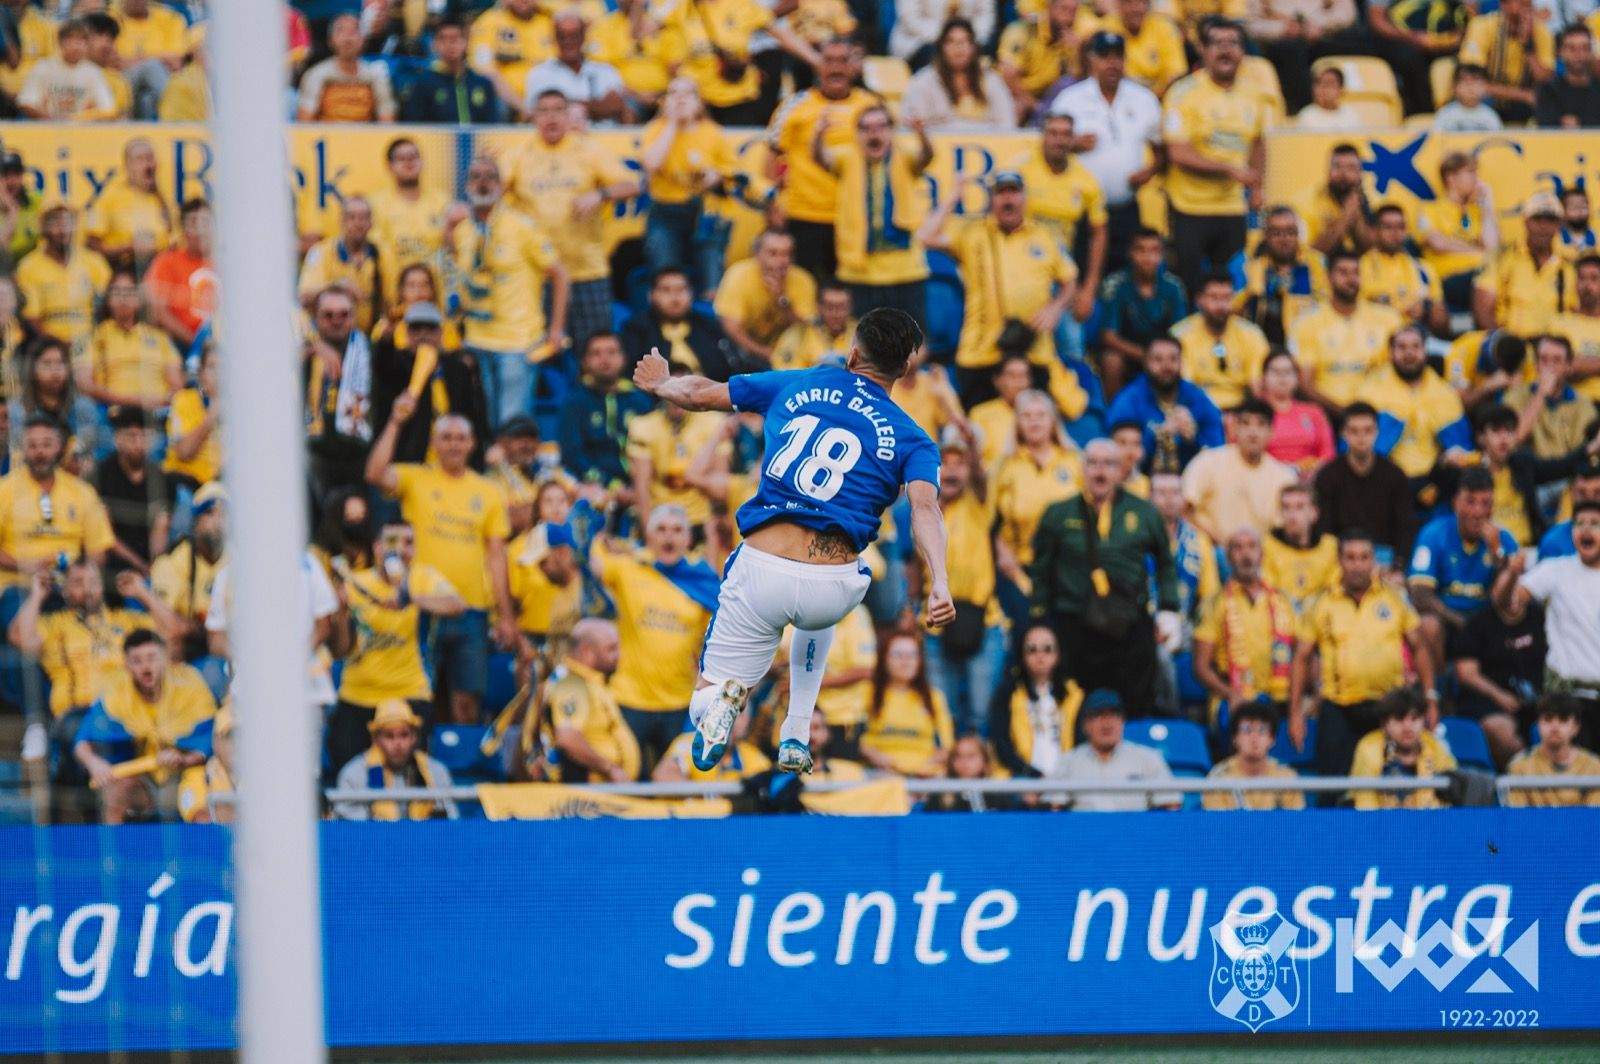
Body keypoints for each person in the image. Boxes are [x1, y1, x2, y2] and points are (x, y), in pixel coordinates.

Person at [631, 306, 954, 774]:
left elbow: (700, 394)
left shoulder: (801, 382)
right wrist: (939, 580)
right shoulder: (915, 439)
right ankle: (797, 733)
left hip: (763, 571)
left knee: (704, 702)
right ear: (906, 368)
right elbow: (926, 510)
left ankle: (726, 699)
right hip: (835, 587)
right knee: (829, 599)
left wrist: (661, 382)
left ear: (853, 351)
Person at [367, 397, 521, 725]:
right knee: (421, 693)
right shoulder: (416, 479)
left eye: (460, 438)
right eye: (446, 437)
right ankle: (426, 763)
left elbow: (497, 556)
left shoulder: (489, 490)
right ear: (434, 443)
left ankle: (463, 765)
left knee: (468, 697)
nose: (453, 444)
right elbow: (375, 473)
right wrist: (395, 421)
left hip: (472, 608)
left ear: (472, 443)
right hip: (421, 605)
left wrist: (505, 616)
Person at [10, 562, 175, 819]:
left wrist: (143, 593)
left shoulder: (125, 620)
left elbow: (173, 633)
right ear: (64, 591)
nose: (87, 588)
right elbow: (21, 637)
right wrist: (38, 595)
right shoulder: (55, 623)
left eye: (93, 581)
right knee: (84, 738)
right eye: (77, 582)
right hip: (78, 715)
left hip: (126, 715)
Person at [1031, 438, 1179, 712]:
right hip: (1073, 623)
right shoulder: (1058, 514)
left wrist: (1169, 609)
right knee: (1077, 703)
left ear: (1122, 470)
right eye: (1093, 463)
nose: (1100, 471)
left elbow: (1166, 563)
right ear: (1082, 468)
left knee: (1134, 703)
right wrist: (1040, 618)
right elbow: (1040, 571)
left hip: (1129, 624)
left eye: (1109, 464)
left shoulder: (1144, 512)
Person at [917, 171, 1079, 405]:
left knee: (1033, 426)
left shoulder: (1045, 237)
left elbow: (1070, 281)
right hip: (981, 352)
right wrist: (954, 196)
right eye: (1001, 193)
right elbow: (924, 236)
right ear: (991, 199)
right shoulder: (973, 233)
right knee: (982, 428)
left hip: (1033, 352)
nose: (1008, 199)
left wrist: (1055, 308)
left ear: (1024, 197)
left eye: (1014, 192)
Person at [1290, 530, 1434, 778]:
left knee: (1391, 783)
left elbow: (1419, 646)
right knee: (1334, 788)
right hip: (1339, 707)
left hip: (1390, 708)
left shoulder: (1394, 598)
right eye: (1350, 557)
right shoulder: (1321, 603)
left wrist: (1431, 697)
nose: (1357, 565)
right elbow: (1302, 657)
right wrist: (1295, 714)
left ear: (1373, 561)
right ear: (1340, 561)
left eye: (1364, 557)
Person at [507, 87, 639, 355]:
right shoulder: (518, 155)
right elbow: (491, 193)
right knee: (536, 352)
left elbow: (633, 184)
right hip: (537, 275)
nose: (551, 117)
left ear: (568, 116)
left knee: (594, 352)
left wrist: (600, 194)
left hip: (587, 271)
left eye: (558, 110)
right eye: (543, 111)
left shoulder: (589, 150)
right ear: (532, 116)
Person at [443, 154, 569, 432]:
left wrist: (556, 329)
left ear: (501, 186)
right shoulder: (463, 230)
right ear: (465, 187)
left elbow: (560, 275)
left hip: (518, 342)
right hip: (475, 339)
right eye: (476, 177)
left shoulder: (522, 226)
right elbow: (455, 276)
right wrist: (448, 230)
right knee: (480, 423)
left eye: (490, 177)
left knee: (510, 425)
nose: (483, 184)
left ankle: (508, 474)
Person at [329, 522, 466, 774]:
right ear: (377, 548)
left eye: (409, 542)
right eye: (393, 541)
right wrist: (339, 614)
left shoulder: (421, 577)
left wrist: (411, 598)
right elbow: (339, 651)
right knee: (347, 773)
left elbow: (457, 604)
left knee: (416, 777)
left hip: (409, 691)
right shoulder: (354, 583)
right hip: (358, 695)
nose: (401, 548)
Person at [588, 505, 717, 773]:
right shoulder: (628, 568)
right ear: (649, 535)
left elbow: (716, 643)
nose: (668, 537)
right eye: (661, 529)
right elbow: (594, 563)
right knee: (627, 777)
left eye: (677, 530)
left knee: (674, 784)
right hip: (629, 699)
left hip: (680, 703)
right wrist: (597, 521)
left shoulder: (702, 581)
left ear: (688, 539)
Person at [1161, 19, 1266, 298]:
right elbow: (1178, 152)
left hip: (1233, 209)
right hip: (1190, 208)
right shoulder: (1183, 93)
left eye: (1233, 43)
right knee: (1193, 290)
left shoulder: (1253, 95)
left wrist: (1256, 185)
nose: (1226, 51)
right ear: (1204, 51)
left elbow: (1258, 141)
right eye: (1217, 44)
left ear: (1243, 52)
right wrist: (1230, 170)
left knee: (1232, 292)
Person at [71, 629, 215, 824]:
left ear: (165, 659)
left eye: (152, 658)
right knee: (115, 795)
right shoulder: (117, 693)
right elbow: (82, 742)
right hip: (144, 777)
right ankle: (113, 854)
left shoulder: (190, 683)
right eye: (137, 661)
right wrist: (95, 764)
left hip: (188, 772)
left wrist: (183, 759)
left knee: (202, 812)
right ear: (127, 665)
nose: (146, 667)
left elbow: (211, 741)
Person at [1050, 33, 1164, 279]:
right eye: (1104, 57)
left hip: (1126, 208)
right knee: (1080, 275)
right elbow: (1047, 144)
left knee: (1126, 279)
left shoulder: (1143, 99)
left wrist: (1149, 171)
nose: (1112, 64)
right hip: (1082, 210)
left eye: (1118, 57)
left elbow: (1161, 151)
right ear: (1091, 59)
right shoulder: (1071, 99)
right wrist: (1072, 143)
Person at [765, 38, 877, 282]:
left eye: (843, 61)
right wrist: (773, 204)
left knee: (846, 293)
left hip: (852, 216)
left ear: (854, 66)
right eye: (828, 60)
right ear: (817, 64)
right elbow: (772, 155)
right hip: (804, 215)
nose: (835, 68)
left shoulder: (870, 107)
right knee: (804, 286)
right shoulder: (795, 105)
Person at [920, 428, 1004, 736]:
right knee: (944, 713)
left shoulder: (979, 503)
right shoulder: (921, 509)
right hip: (933, 622)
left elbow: (982, 474)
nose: (952, 469)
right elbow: (911, 567)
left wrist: (961, 427)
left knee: (982, 713)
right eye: (944, 462)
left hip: (984, 619)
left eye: (960, 463)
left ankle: (980, 781)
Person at [816, 104, 932, 322]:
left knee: (912, 340)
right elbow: (822, 158)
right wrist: (819, 135)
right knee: (862, 342)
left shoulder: (904, 156)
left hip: (905, 269)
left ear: (891, 131)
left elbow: (925, 158)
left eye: (881, 126)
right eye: (866, 128)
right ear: (857, 133)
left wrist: (922, 135)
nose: (874, 133)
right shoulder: (848, 158)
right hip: (859, 271)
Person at [1499, 501, 1600, 742]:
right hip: (1567, 700)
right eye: (1579, 524)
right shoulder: (1555, 570)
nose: (1585, 530)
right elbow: (1508, 605)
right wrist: (1512, 573)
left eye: (1595, 524)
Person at [1408, 467, 1520, 675]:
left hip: (1490, 625)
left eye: (1485, 503)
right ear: (1455, 503)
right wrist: (1462, 622)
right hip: (1448, 621)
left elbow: (1508, 601)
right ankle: (1440, 694)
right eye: (1470, 502)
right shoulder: (1434, 533)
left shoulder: (1503, 540)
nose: (1478, 512)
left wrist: (1498, 556)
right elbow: (1419, 594)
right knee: (1427, 625)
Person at [639, 79, 734, 293]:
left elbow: (732, 172)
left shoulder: (712, 133)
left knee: (712, 283)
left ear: (699, 103)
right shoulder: (656, 129)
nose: (680, 99)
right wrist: (673, 124)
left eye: (687, 94)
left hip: (706, 213)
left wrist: (714, 176)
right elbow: (651, 164)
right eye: (673, 93)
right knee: (665, 278)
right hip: (665, 213)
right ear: (664, 102)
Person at [370, 301, 491, 469]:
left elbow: (474, 415)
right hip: (408, 463)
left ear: (441, 332)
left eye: (430, 328)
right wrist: (387, 337)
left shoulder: (457, 367)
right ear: (407, 333)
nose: (423, 334)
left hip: (452, 466)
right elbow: (382, 364)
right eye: (416, 328)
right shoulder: (399, 364)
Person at [1193, 528, 1297, 725]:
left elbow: (1301, 656)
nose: (1246, 554)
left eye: (1252, 547)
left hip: (1279, 697)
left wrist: (1298, 703)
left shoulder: (1282, 601)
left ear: (1262, 555)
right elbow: (1201, 667)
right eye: (1238, 548)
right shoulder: (1214, 603)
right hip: (1232, 697)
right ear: (1228, 557)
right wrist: (1231, 694)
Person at [0, 413, 113, 592]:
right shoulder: (4, 489)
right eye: (32, 445)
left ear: (59, 447)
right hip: (17, 587)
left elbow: (98, 552)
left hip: (69, 587)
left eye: (47, 444)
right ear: (22, 449)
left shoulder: (83, 491)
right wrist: (25, 566)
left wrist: (77, 577)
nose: (40, 452)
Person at [992, 390, 1083, 605]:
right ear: (1017, 422)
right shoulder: (1005, 465)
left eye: (1041, 415)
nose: (1034, 422)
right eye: (1026, 416)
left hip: (1069, 566)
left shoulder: (1075, 461)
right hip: (1019, 568)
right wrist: (1004, 557)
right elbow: (990, 519)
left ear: (1053, 421)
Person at [1356, 324, 1472, 484]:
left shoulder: (1444, 393)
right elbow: (1356, 448)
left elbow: (1461, 447)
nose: (1409, 353)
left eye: (1416, 346)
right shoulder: (1370, 391)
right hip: (1382, 481)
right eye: (1401, 347)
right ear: (1390, 353)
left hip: (1434, 482)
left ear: (1425, 351)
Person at [1456, 565, 1545, 768]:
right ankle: (1527, 779)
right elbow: (1466, 673)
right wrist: (1499, 695)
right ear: (1493, 591)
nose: (1511, 595)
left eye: (1518, 587)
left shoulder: (1540, 617)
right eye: (1505, 587)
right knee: (1501, 732)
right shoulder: (1477, 622)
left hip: (1536, 701)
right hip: (1489, 702)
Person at [539, 617, 642, 784]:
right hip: (587, 794)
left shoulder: (589, 681)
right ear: (587, 651)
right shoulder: (571, 684)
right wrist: (610, 769)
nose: (618, 655)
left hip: (602, 791)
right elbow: (567, 738)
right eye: (611, 649)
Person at [1312, 402, 1416, 564]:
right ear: (1344, 434)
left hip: (1383, 557)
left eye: (1368, 431)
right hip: (1340, 557)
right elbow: (1323, 529)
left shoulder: (1395, 475)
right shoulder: (1327, 476)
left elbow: (1404, 526)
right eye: (1354, 431)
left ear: (1376, 432)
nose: (1361, 438)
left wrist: (1398, 565)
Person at [1182, 397, 1297, 543]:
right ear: (1235, 428)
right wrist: (1217, 543)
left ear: (1271, 432)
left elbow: (1282, 530)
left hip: (1259, 557)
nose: (1253, 432)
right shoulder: (1208, 461)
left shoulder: (1284, 477)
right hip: (1210, 550)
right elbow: (1185, 509)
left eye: (1261, 425)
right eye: (1246, 423)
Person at [1105, 335, 1225, 473]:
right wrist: (1160, 436)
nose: (1166, 366)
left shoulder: (1197, 398)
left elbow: (1218, 450)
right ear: (1145, 363)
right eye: (1158, 359)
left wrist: (1194, 439)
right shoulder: (1129, 400)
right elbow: (1115, 453)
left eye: (1173, 359)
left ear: (1182, 362)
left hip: (1192, 480)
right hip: (1143, 481)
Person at [627, 365, 727, 529]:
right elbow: (641, 488)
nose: (677, 398)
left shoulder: (714, 424)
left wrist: (715, 532)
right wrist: (651, 536)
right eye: (673, 390)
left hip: (703, 521)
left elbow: (721, 485)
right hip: (660, 520)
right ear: (661, 392)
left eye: (684, 390)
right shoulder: (642, 427)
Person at [1050, 688, 1181, 811]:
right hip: (1085, 832)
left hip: (1135, 832)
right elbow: (1054, 808)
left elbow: (1171, 805)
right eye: (1098, 715)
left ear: (1123, 721)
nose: (1107, 723)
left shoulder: (1148, 758)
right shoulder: (1069, 761)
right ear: (1085, 725)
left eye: (1113, 715)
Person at [364, 138, 453, 313]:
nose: (409, 162)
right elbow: (375, 255)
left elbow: (452, 250)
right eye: (402, 158)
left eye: (413, 156)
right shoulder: (376, 205)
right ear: (390, 166)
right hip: (394, 301)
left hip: (437, 300)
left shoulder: (441, 202)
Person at [557, 331, 653, 493]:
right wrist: (611, 485)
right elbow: (572, 455)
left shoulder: (639, 401)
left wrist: (639, 485)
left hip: (641, 486)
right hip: (594, 489)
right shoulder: (574, 403)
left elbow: (653, 447)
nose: (605, 360)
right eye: (596, 353)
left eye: (612, 352)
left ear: (623, 358)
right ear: (584, 361)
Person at [1096, 228, 1188, 396]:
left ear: (1162, 255)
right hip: (1128, 352)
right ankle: (1114, 415)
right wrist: (1145, 355)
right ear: (1130, 253)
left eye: (1154, 250)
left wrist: (1159, 356)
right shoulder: (1115, 284)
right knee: (1111, 360)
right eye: (1141, 250)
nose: (1148, 257)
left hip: (1164, 351)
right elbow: (1108, 336)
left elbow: (1181, 334)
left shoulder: (1174, 286)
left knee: (1182, 358)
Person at [331, 699, 457, 821]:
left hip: (425, 840)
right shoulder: (353, 774)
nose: (398, 744)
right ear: (376, 739)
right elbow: (352, 831)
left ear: (415, 737)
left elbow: (451, 820)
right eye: (389, 736)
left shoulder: (436, 771)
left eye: (404, 735)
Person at [78, 271, 181, 415]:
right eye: (117, 292)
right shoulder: (95, 337)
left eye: (129, 292)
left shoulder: (159, 337)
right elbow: (85, 384)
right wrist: (132, 401)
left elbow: (176, 385)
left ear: (139, 299)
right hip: (114, 413)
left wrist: (161, 401)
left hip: (158, 413)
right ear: (108, 299)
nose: (123, 298)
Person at [1475, 193, 1577, 339]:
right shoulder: (1502, 257)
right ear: (1526, 220)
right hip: (1511, 345)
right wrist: (1504, 345)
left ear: (1559, 225)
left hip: (1555, 349)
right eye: (1537, 219)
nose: (1543, 226)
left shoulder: (1571, 262)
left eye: (1550, 220)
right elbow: (1483, 309)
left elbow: (1581, 311)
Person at [989, 622, 1083, 778]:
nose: (1040, 656)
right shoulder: (1007, 694)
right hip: (1022, 778)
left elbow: (1082, 743)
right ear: (1022, 655)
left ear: (1058, 654)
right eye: (1032, 650)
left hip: (1069, 778)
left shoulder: (1074, 695)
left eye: (1048, 649)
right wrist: (1029, 774)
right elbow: (1002, 745)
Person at [15, 203, 111, 354]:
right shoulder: (28, 267)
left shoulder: (95, 263)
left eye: (68, 222)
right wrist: (57, 348)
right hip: (47, 348)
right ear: (44, 228)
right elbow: (31, 319)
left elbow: (105, 310)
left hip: (90, 344)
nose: (63, 229)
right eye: (56, 222)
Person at [713, 229, 817, 365]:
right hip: (744, 349)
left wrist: (782, 300)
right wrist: (765, 353)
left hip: (786, 353)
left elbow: (805, 330)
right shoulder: (738, 274)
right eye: (773, 253)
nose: (782, 261)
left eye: (787, 254)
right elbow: (731, 328)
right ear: (757, 254)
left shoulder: (803, 280)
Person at [859, 631, 955, 778]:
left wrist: (926, 766)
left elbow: (947, 747)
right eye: (898, 655)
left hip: (925, 776)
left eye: (912, 655)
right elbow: (855, 740)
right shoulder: (867, 693)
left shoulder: (934, 697)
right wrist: (876, 758)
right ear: (884, 659)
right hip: (879, 773)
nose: (906, 661)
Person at [1171, 274, 1272, 411]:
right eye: (1214, 298)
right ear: (1199, 300)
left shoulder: (1251, 334)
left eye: (1227, 298)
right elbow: (1184, 390)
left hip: (1242, 413)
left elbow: (1258, 388)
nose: (1221, 305)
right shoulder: (1180, 335)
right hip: (1197, 411)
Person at [1232, 206, 1329, 347]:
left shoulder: (1315, 263)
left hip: (1307, 347)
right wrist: (1250, 292)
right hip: (1261, 348)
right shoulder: (1249, 264)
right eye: (1276, 233)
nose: (1284, 239)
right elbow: (1231, 312)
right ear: (1265, 235)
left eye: (1290, 232)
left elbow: (1328, 307)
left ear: (1298, 234)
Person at [150, 481, 225, 661]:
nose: (218, 521)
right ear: (195, 522)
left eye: (225, 514)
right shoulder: (171, 562)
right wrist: (194, 628)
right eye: (209, 513)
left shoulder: (241, 560)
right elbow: (168, 626)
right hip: (193, 649)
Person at [1347, 689, 1456, 810]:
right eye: (1399, 719)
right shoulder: (1368, 749)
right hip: (1381, 825)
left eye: (1414, 719)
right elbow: (1365, 806)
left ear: (1423, 721)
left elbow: (1450, 800)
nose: (1408, 727)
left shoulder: (1435, 747)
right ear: (1384, 724)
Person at [1419, 152, 1499, 315]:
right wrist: (1477, 249)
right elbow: (1438, 243)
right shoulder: (1429, 209)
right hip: (1451, 279)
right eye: (1470, 173)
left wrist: (1487, 207)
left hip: (1483, 276)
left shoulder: (1476, 212)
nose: (1476, 179)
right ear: (1451, 178)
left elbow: (1492, 248)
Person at [902, 18, 1015, 132]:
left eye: (964, 41)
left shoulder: (991, 80)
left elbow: (1007, 125)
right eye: (951, 42)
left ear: (973, 47)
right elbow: (911, 128)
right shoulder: (923, 82)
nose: (958, 48)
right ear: (941, 47)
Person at [93, 406, 167, 577]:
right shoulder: (101, 475)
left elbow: (161, 528)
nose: (138, 443)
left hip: (151, 559)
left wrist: (155, 569)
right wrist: (141, 567)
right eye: (132, 436)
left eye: (144, 436)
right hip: (115, 560)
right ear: (118, 439)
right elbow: (106, 535)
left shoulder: (159, 476)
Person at [1505, 335, 1599, 462]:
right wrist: (1541, 394)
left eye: (1557, 360)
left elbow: (1583, 455)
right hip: (1528, 474)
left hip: (1568, 474)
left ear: (1568, 367)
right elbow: (1513, 440)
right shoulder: (1515, 396)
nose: (1549, 366)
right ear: (1536, 365)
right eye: (1544, 359)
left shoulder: (1583, 406)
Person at [997, 0, 1100, 117]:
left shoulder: (1072, 41)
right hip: (1015, 94)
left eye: (1073, 12)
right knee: (1019, 106)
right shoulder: (1024, 30)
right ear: (1050, 8)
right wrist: (1035, 105)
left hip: (1049, 97)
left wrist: (1077, 53)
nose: (1068, 17)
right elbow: (1009, 76)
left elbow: (1077, 79)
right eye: (1063, 9)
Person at [1457, 0, 1552, 125]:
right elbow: (1472, 80)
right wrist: (1523, 95)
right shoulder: (1482, 25)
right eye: (1513, 17)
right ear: (1502, 6)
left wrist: (1528, 46)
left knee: (1547, 101)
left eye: (1524, 7)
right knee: (1473, 94)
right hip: (1490, 97)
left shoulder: (1541, 30)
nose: (1517, 11)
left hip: (1524, 103)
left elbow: (1545, 79)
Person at [83, 138, 171, 273]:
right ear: (127, 167)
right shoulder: (109, 197)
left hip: (158, 272)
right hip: (123, 273)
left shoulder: (162, 198)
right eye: (140, 159)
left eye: (150, 158)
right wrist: (128, 248)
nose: (148, 165)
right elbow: (90, 244)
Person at [398, 14, 504, 124]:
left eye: (455, 39)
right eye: (443, 39)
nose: (449, 45)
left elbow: (493, 127)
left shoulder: (482, 84)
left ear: (466, 42)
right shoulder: (423, 83)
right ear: (434, 44)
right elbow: (414, 126)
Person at [1201, 700, 1305, 810]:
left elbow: (1295, 824)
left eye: (1262, 730)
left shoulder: (1287, 778)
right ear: (1235, 738)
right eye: (1247, 730)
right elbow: (1216, 825)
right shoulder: (1218, 778)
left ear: (1272, 739)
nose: (1254, 738)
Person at [299, 196, 381, 336]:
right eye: (352, 217)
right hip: (327, 335)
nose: (358, 223)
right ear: (342, 221)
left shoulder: (380, 253)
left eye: (363, 218)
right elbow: (304, 297)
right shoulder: (322, 251)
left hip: (372, 335)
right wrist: (339, 286)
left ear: (371, 223)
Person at [142, 198, 215, 350]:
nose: (201, 230)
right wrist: (198, 344)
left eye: (206, 223)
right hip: (181, 345)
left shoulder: (228, 264)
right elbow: (159, 313)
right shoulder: (167, 262)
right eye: (194, 223)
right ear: (183, 230)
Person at [295, 13, 396, 123]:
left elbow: (387, 122)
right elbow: (304, 124)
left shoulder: (376, 75)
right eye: (341, 31)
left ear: (363, 40)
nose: (347, 38)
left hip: (365, 137)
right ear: (330, 40)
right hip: (328, 137)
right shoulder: (316, 74)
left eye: (354, 31)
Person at [1504, 695, 1600, 807]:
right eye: (1548, 719)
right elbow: (1517, 818)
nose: (1555, 727)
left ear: (1576, 727)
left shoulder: (1594, 767)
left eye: (1563, 720)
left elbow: (1593, 819)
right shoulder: (1519, 766)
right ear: (1538, 724)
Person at [468, 0, 554, 118]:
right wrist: (522, 107)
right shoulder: (489, 21)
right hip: (507, 102)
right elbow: (485, 70)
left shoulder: (549, 22)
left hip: (549, 99)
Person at [17, 18, 115, 121]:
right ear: (60, 42)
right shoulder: (44, 67)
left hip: (81, 131)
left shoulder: (93, 72)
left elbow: (107, 108)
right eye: (70, 39)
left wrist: (76, 119)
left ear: (87, 44)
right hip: (46, 129)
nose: (76, 46)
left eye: (81, 40)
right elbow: (26, 103)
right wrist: (52, 119)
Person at [1262, 484, 1338, 614]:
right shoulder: (1267, 545)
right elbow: (1268, 588)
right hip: (1280, 618)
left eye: (1299, 507)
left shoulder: (1330, 546)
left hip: (1320, 618)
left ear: (1314, 513)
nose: (1292, 515)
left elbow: (1334, 589)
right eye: (1286, 507)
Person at [111, 0, 188, 121]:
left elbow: (176, 62)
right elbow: (114, 63)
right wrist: (159, 57)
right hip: (124, 80)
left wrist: (137, 59)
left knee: (145, 100)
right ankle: (177, 122)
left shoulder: (169, 18)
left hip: (161, 79)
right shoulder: (112, 19)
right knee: (151, 66)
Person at [1260, 351, 1334, 474]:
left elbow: (1327, 454)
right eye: (1276, 372)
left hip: (1309, 479)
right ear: (1264, 377)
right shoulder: (1255, 413)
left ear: (1297, 377)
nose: (1282, 377)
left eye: (1288, 372)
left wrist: (1306, 469)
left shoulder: (1314, 412)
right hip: (1267, 477)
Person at [1304, 143, 1374, 259]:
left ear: (1360, 174)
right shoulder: (1310, 202)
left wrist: (1357, 216)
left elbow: (1372, 253)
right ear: (1327, 171)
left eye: (1351, 168)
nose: (1343, 174)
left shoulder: (1374, 202)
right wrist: (1346, 215)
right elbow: (1312, 255)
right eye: (1337, 167)